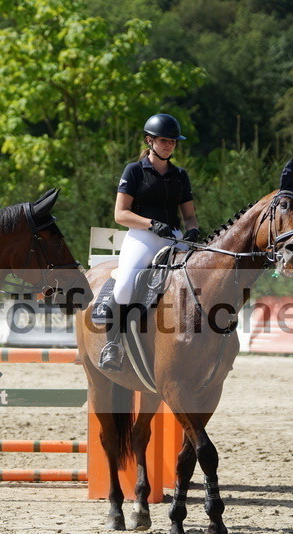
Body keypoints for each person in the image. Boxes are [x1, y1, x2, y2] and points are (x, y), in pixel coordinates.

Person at [93, 113, 201, 372]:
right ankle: (113, 345)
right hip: (142, 237)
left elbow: (189, 215)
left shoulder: (180, 175)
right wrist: (151, 224)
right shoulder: (135, 170)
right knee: (124, 288)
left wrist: (193, 231)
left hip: (173, 238)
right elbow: (120, 214)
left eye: (173, 141)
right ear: (149, 141)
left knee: (200, 279)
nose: (170, 145)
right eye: (164, 140)